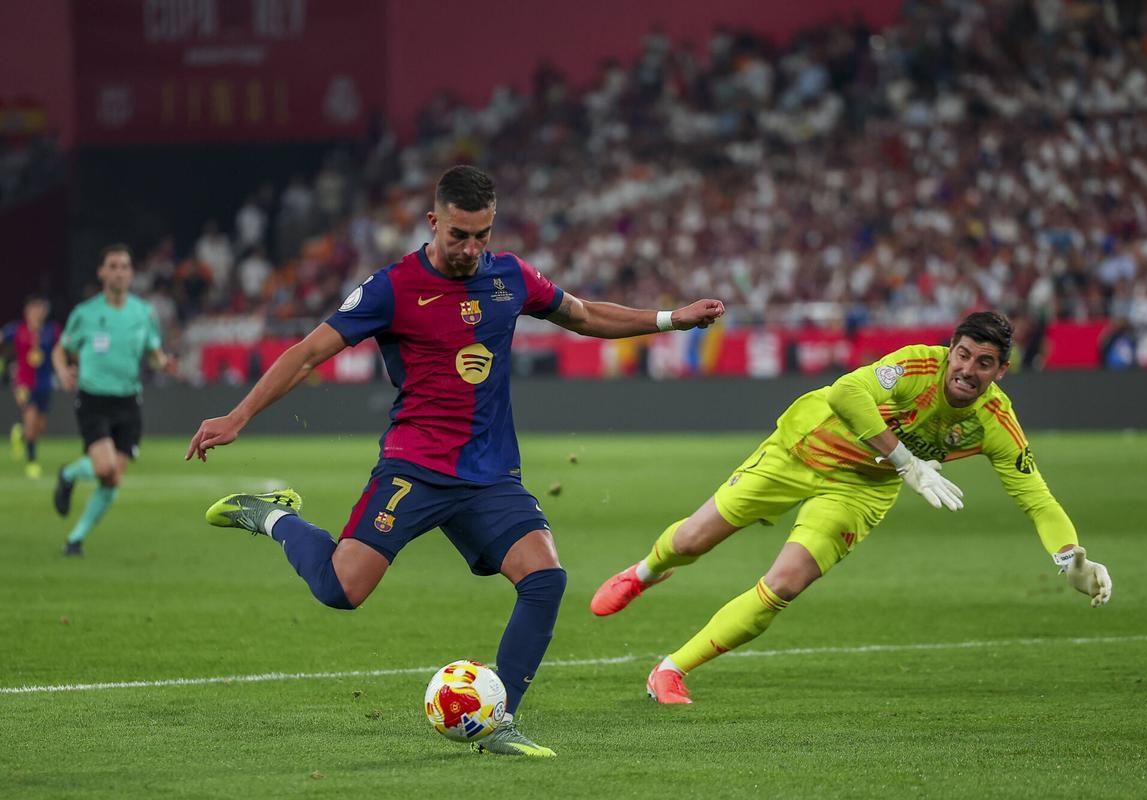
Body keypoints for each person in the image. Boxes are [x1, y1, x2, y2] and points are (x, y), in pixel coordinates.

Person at [186, 165, 725, 757]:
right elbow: (309, 352)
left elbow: (584, 314)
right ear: (433, 222)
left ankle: (498, 723)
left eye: (482, 236)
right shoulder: (391, 288)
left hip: (491, 474)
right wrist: (238, 417)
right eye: (459, 235)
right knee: (342, 590)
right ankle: (274, 516)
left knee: (545, 580)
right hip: (415, 467)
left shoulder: (510, 277)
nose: (470, 249)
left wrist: (672, 319)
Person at [590, 311, 1113, 704]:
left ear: (1001, 371)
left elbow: (1036, 497)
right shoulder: (913, 367)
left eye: (984, 363)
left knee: (785, 584)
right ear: (949, 350)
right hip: (803, 447)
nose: (968, 370)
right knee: (691, 541)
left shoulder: (995, 422)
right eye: (963, 355)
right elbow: (845, 393)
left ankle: (671, 669)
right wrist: (908, 461)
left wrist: (1069, 558)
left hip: (860, 489)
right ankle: (645, 572)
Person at [51, 244, 175, 556]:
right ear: (102, 272)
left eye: (125, 266)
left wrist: (164, 363)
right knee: (105, 467)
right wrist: (63, 370)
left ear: (132, 273)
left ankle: (75, 538)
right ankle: (68, 475)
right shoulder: (86, 313)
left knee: (112, 478)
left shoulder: (143, 313)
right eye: (113, 266)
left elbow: (154, 353)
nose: (119, 271)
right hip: (94, 399)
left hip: (128, 401)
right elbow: (60, 349)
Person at [2, 296, 60, 478]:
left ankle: (20, 434)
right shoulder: (17, 329)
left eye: (40, 309)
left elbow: (64, 346)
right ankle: (32, 462)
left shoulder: (52, 331)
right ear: (27, 311)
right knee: (31, 415)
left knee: (39, 426)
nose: (37, 313)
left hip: (45, 383)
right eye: (34, 309)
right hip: (24, 383)